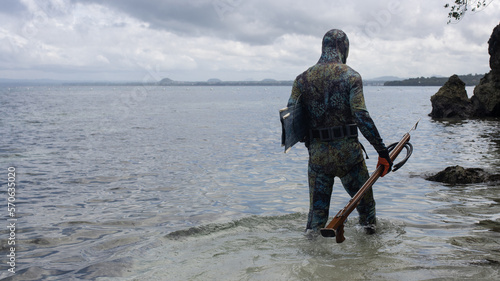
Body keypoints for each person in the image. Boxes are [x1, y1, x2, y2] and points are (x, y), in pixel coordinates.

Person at [286, 29, 393, 234]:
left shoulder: (301, 80)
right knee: (366, 208)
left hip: (317, 157)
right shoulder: (351, 77)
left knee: (316, 216)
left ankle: (312, 260)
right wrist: (382, 152)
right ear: (344, 47)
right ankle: (370, 254)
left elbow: (292, 123)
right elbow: (361, 116)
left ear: (323, 47)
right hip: (349, 156)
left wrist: (311, 139)